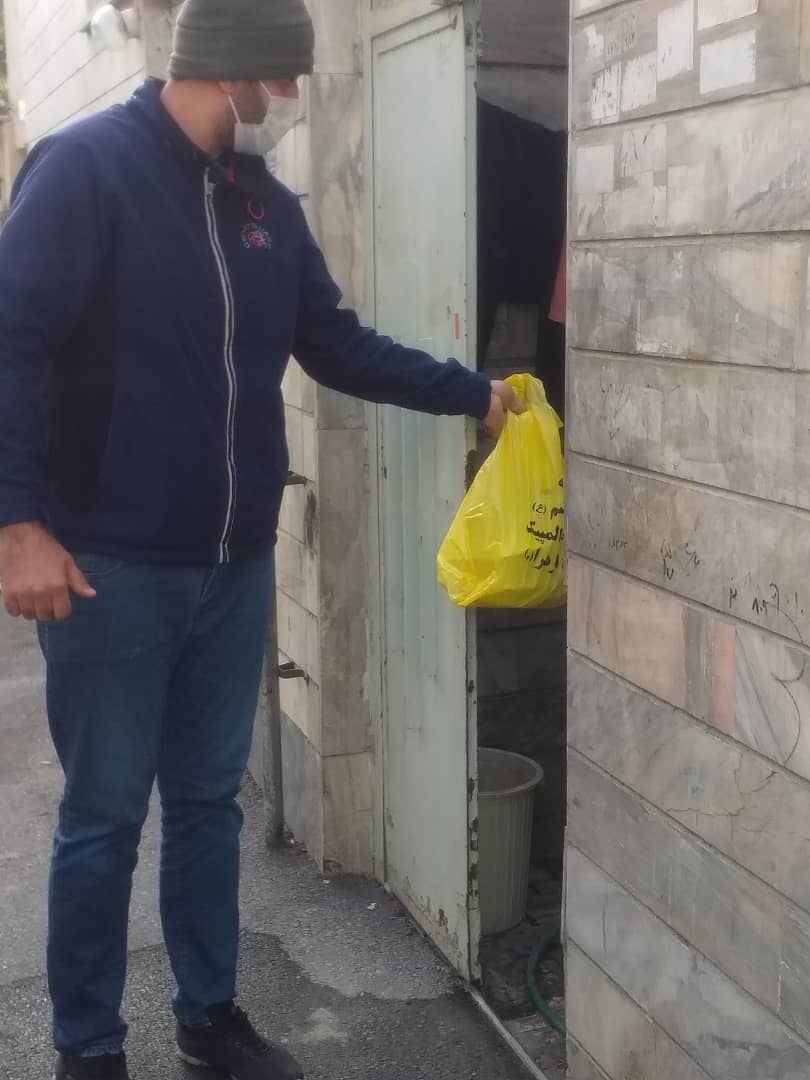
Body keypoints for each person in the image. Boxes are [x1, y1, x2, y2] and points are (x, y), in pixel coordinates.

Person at [0, 1, 523, 1078]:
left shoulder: (264, 209)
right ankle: (88, 1049)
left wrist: (470, 392)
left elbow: (336, 345)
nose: (288, 100)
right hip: (108, 565)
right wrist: (18, 526)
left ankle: (208, 1021)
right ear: (227, 68)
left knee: (207, 806)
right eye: (280, 80)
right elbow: (11, 342)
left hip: (234, 562)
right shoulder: (85, 170)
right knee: (104, 816)